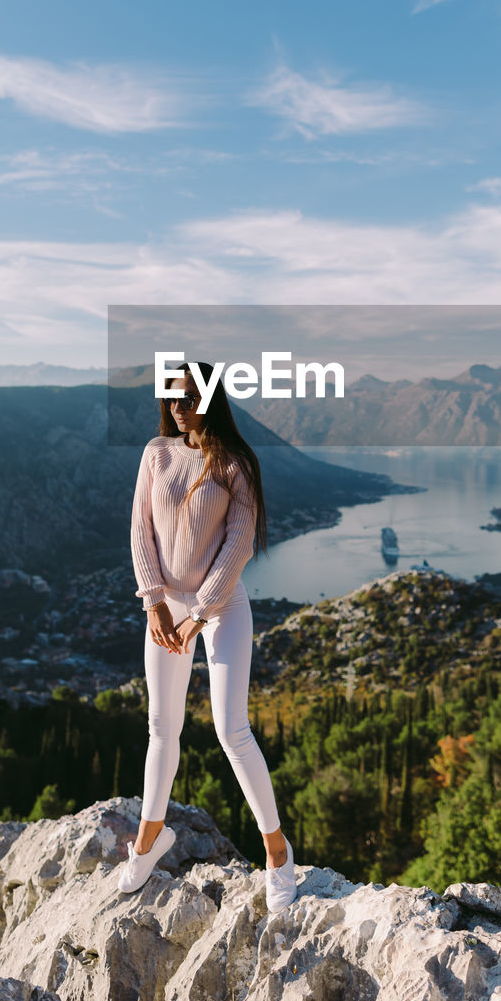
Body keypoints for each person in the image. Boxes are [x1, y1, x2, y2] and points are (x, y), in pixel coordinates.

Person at [118, 359, 297, 912]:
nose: (177, 406)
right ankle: (150, 840)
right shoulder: (157, 453)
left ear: (212, 396)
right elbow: (140, 530)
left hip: (220, 608)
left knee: (231, 729)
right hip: (166, 607)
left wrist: (200, 612)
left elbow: (238, 546)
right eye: (171, 397)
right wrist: (154, 603)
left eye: (189, 395)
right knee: (161, 728)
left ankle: (277, 852)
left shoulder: (236, 463)